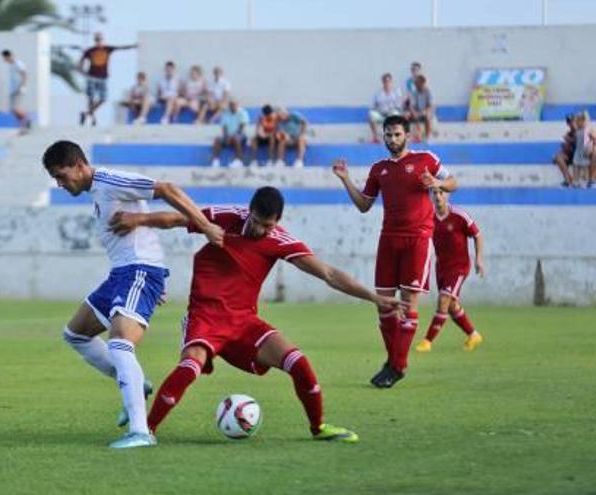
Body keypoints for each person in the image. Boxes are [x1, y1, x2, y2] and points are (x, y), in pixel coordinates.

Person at [107, 187, 403, 443]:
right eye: (258, 223)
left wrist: (374, 297)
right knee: (190, 366)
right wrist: (138, 218)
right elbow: (177, 218)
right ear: (249, 212)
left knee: (298, 362)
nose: (261, 231)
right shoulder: (225, 216)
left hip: (244, 321)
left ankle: (319, 427)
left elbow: (328, 273)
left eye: (268, 226)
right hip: (205, 317)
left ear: (277, 222)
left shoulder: (279, 240)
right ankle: (147, 429)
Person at [41, 140, 223, 449]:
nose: (60, 184)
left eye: (61, 175)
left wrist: (205, 226)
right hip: (123, 274)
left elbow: (167, 189)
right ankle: (138, 385)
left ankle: (141, 431)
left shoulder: (111, 181)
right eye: (55, 179)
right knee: (75, 334)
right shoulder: (97, 193)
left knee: (121, 342)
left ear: (79, 165)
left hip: (138, 271)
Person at [332, 114, 458, 388]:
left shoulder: (425, 159)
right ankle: (393, 362)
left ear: (407, 136)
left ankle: (397, 366)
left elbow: (453, 183)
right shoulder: (379, 169)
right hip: (388, 239)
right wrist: (345, 180)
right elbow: (364, 205)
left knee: (409, 305)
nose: (392, 139)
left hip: (417, 240)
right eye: (388, 135)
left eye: (397, 134)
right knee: (384, 305)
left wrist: (436, 184)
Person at [416, 189, 485, 353]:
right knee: (452, 305)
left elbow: (478, 235)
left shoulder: (459, 216)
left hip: (459, 267)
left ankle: (427, 341)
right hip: (441, 267)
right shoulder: (429, 217)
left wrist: (479, 259)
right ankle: (473, 335)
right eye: (434, 193)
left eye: (441, 193)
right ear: (431, 196)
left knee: (444, 300)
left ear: (447, 195)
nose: (438, 196)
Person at [78, 32, 137, 126]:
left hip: (103, 78)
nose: (99, 41)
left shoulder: (107, 49)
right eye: (97, 40)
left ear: (103, 40)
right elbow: (81, 61)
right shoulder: (90, 51)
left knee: (103, 99)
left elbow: (121, 48)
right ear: (95, 40)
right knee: (91, 99)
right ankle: (92, 119)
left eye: (100, 39)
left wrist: (133, 46)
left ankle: (86, 114)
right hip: (92, 77)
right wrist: (82, 71)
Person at [210, 99, 249, 168]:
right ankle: (216, 161)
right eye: (230, 105)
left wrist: (232, 136)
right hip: (228, 135)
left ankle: (238, 161)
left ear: (237, 105)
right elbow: (224, 127)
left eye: (234, 105)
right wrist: (226, 136)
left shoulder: (242, 112)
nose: (232, 107)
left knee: (236, 138)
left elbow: (241, 128)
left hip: (240, 135)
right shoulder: (226, 113)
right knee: (217, 139)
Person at [368, 73, 404, 143]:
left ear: (391, 82)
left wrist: (392, 110)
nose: (386, 83)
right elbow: (373, 107)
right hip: (381, 114)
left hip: (392, 113)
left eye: (388, 81)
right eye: (385, 81)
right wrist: (378, 111)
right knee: (371, 115)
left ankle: (394, 137)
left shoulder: (396, 92)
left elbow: (399, 106)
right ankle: (375, 137)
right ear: (383, 82)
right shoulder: (378, 94)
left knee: (395, 114)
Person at [1, 50, 30, 130]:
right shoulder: (11, 65)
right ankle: (23, 125)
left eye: (5, 58)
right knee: (12, 110)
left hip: (18, 90)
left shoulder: (18, 63)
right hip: (13, 90)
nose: (4, 60)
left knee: (15, 108)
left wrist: (20, 87)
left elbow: (24, 75)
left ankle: (27, 121)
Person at [405, 75, 434, 142]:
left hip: (424, 112)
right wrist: (414, 113)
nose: (417, 85)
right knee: (406, 116)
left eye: (418, 83)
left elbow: (430, 106)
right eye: (416, 83)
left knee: (428, 116)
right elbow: (411, 106)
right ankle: (407, 136)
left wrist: (424, 112)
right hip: (415, 112)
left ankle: (427, 137)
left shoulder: (428, 92)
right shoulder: (413, 92)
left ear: (423, 83)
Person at [570, 112, 596, 188]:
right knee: (576, 166)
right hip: (578, 151)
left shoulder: (587, 130)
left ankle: (587, 180)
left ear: (584, 121)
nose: (579, 123)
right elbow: (575, 140)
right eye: (578, 121)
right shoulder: (577, 130)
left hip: (584, 151)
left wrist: (591, 142)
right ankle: (575, 181)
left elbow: (593, 139)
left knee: (585, 167)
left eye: (581, 121)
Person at [553, 114, 577, 187]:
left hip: (581, 156)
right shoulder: (568, 134)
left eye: (572, 121)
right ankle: (568, 179)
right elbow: (568, 150)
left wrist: (571, 141)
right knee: (558, 157)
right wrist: (565, 147)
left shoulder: (582, 131)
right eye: (569, 122)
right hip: (573, 155)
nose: (571, 124)